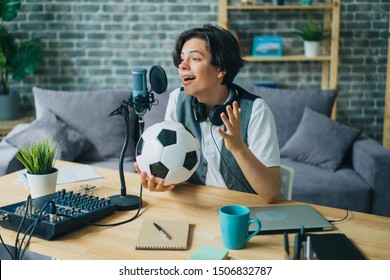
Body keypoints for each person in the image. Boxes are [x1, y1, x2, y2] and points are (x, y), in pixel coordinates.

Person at [135, 24, 281, 203]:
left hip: (240, 212)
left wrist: (238, 147)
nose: (183, 65)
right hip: (196, 206)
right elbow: (173, 166)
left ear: (221, 69)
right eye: (182, 59)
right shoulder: (177, 99)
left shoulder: (256, 110)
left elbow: (271, 193)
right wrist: (162, 181)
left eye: (195, 59)